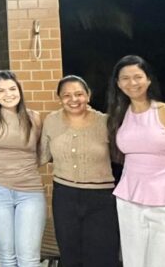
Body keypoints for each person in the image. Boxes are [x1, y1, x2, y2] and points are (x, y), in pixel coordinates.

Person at [107, 55, 165, 267]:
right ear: (118, 84)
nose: (132, 83)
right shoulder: (119, 116)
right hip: (129, 201)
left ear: (148, 79)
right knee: (134, 262)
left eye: (137, 77)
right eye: (125, 78)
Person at [39, 75, 119, 267]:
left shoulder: (106, 123)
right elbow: (42, 155)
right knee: (70, 256)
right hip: (64, 197)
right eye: (66, 95)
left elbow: (122, 156)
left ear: (88, 95)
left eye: (79, 94)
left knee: (102, 256)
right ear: (59, 98)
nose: (73, 99)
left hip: (101, 199)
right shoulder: (51, 121)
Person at [0, 70, 45, 267]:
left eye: (12, 89)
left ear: (19, 91)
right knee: (7, 257)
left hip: (30, 192)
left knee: (29, 258)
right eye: (2, 90)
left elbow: (41, 152)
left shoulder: (34, 118)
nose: (8, 94)